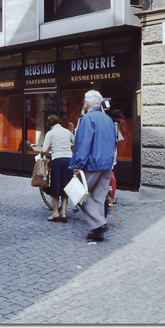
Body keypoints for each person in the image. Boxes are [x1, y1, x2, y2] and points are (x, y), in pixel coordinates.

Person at [69, 90, 117, 242]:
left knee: (78, 195)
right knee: (98, 197)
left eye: (84, 102)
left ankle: (99, 224)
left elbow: (83, 143)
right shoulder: (108, 119)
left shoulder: (87, 119)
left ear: (87, 104)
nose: (83, 104)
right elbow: (113, 142)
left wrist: (78, 164)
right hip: (106, 163)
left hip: (91, 163)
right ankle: (97, 232)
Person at [40, 114, 75, 223]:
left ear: (50, 124)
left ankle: (55, 214)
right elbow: (75, 142)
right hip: (69, 160)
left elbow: (45, 149)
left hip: (57, 160)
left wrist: (42, 153)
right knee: (66, 186)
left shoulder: (50, 133)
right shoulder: (67, 132)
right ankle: (64, 214)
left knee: (56, 186)